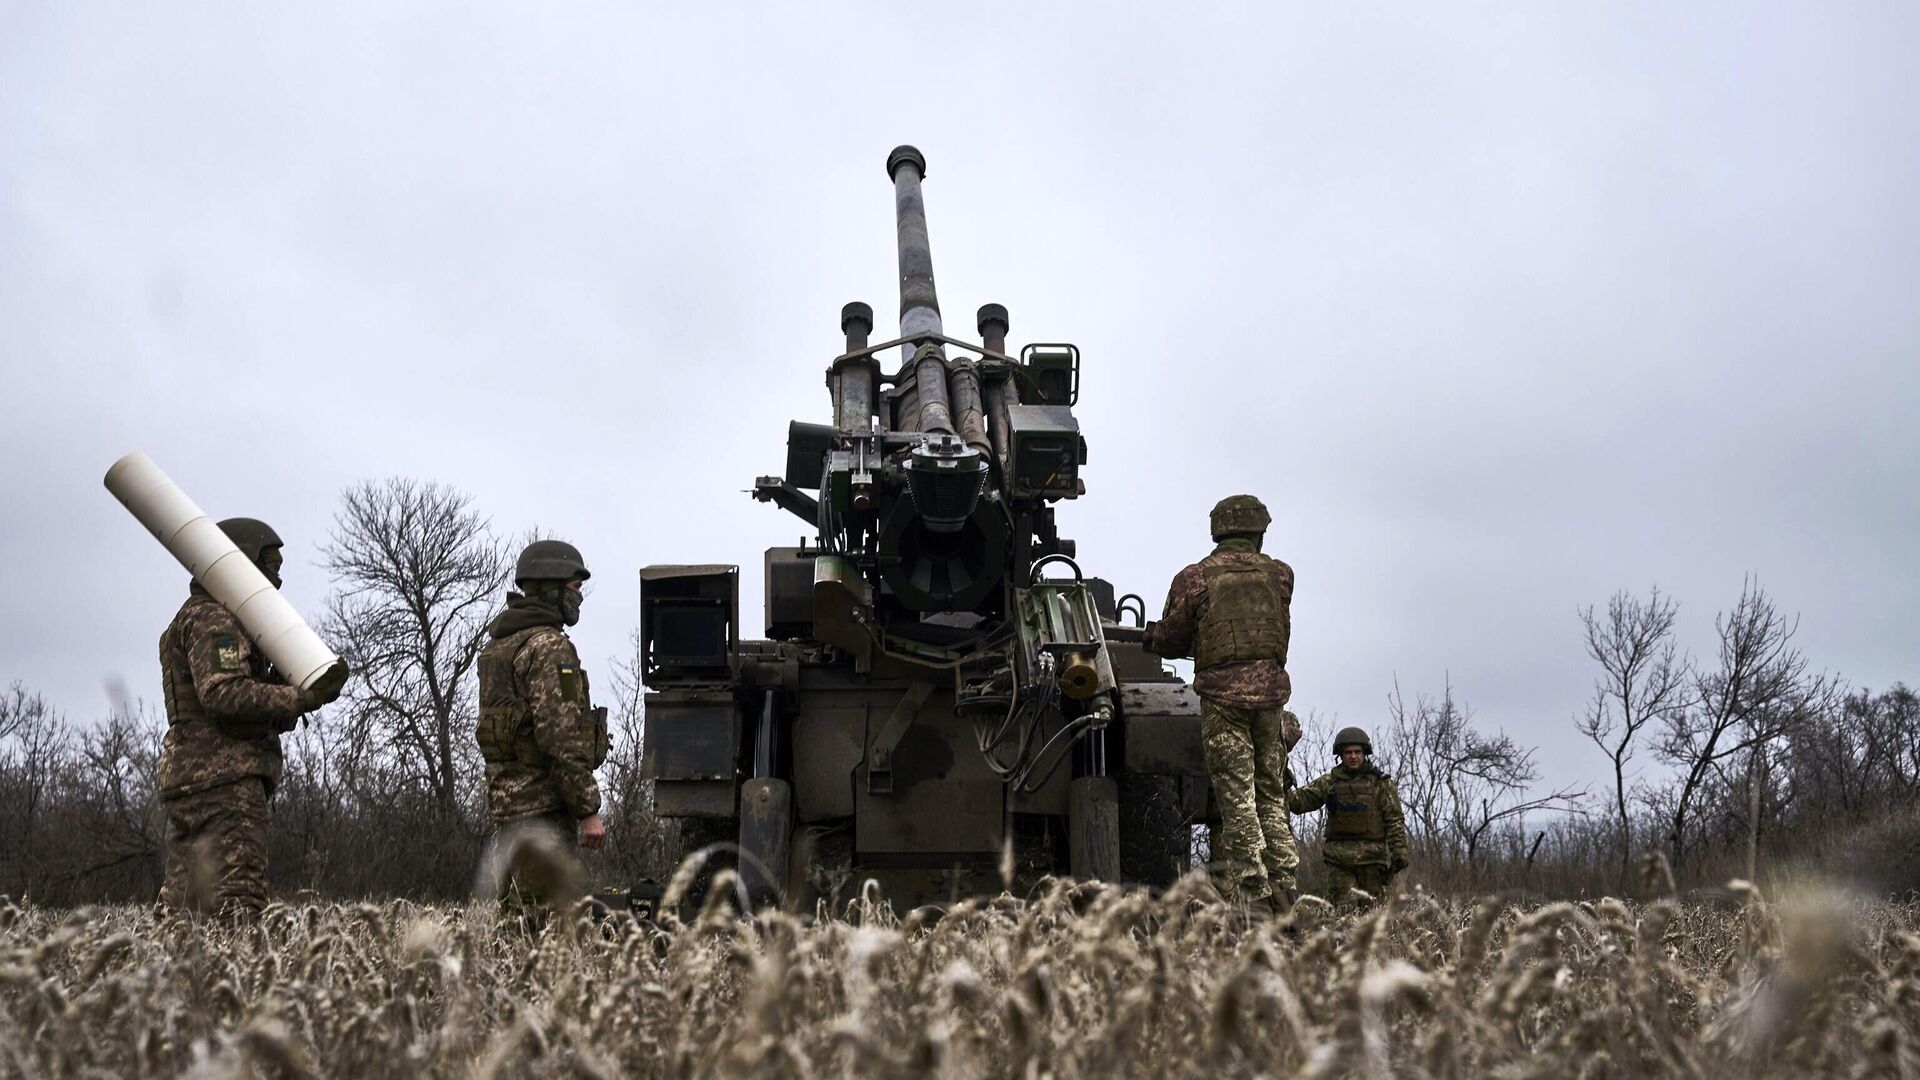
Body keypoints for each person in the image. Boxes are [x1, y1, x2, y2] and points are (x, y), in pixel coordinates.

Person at [157, 517, 341, 917]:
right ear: (241, 563)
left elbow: (235, 702)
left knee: (183, 910)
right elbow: (224, 695)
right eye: (269, 566)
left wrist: (282, 693)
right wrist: (299, 696)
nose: (276, 580)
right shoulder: (215, 619)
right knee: (237, 905)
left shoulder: (197, 615)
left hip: (195, 779)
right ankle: (232, 979)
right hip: (224, 783)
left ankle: (166, 978)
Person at [1142, 494, 1299, 913]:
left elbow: (1173, 637)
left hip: (1223, 699)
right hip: (1271, 698)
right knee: (1270, 794)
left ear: (1218, 531)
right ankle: (1286, 885)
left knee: (1238, 799)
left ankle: (1255, 896)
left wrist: (1153, 637)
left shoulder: (1195, 578)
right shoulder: (1281, 575)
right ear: (1258, 531)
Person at [477, 540, 609, 914]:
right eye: (575, 588)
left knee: (517, 925)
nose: (579, 598)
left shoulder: (500, 647)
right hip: (544, 812)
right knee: (543, 931)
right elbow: (559, 736)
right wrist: (587, 809)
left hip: (508, 810)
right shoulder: (549, 648)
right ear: (551, 589)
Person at [1288, 726, 1409, 905]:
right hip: (1339, 861)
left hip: (1372, 861)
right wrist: (1280, 782)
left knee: (1373, 917)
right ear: (1341, 755)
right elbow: (1300, 802)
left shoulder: (1381, 783)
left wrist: (1399, 851)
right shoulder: (1330, 782)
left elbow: (1394, 820)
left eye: (1357, 752)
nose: (1353, 756)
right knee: (1343, 913)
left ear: (1364, 753)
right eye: (1348, 752)